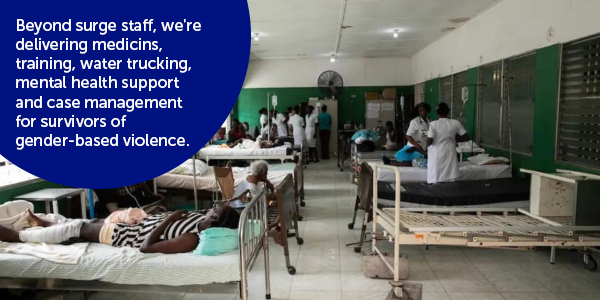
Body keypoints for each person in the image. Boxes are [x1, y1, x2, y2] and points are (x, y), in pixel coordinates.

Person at [0, 206, 240, 254]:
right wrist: (161, 213)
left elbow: (146, 248)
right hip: (128, 227)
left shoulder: (192, 239)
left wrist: (168, 220)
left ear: (215, 220)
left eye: (215, 209)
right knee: (80, 225)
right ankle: (46, 225)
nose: (213, 207)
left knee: (77, 227)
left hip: (122, 237)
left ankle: (18, 236)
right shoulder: (198, 218)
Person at [427, 102, 470, 184]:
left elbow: (430, 141)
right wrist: (454, 138)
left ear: (437, 113)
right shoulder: (455, 123)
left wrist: (426, 141)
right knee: (451, 176)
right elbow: (466, 137)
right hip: (450, 152)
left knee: (437, 177)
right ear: (448, 111)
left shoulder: (434, 124)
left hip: (437, 154)